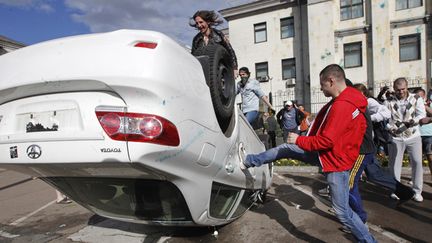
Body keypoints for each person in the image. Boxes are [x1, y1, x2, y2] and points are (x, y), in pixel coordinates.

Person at [239, 64, 376, 242]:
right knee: (284, 149)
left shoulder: (342, 105)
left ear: (331, 81)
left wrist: (299, 140)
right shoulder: (349, 99)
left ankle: (369, 240)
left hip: (336, 163)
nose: (320, 87)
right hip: (327, 155)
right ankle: (250, 161)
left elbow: (327, 140)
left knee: (342, 212)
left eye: (322, 84)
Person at [384, 77, 426, 202]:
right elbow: (385, 118)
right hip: (396, 137)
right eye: (397, 90)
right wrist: (389, 128)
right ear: (394, 89)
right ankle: (396, 190)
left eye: (403, 89)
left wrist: (413, 121)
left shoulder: (416, 98)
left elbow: (421, 114)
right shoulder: (388, 101)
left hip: (413, 135)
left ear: (407, 87)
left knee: (417, 162)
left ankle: (417, 190)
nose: (400, 92)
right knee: (395, 164)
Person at [415, 88, 432, 174]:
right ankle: (417, 178)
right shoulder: (412, 105)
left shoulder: (429, 104)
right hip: (416, 134)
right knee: (416, 158)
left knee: (430, 157)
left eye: (420, 97)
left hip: (428, 134)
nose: (417, 99)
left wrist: (424, 106)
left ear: (424, 96)